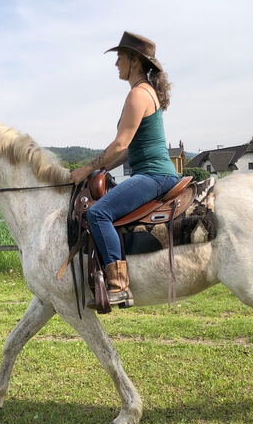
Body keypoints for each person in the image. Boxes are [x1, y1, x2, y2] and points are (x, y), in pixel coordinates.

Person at [71, 31, 179, 307]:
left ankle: (119, 286)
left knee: (98, 213)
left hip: (154, 176)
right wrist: (103, 169)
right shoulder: (145, 93)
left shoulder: (138, 94)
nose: (116, 63)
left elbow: (120, 143)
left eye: (119, 57)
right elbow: (130, 149)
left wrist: (86, 170)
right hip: (154, 173)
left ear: (134, 61)